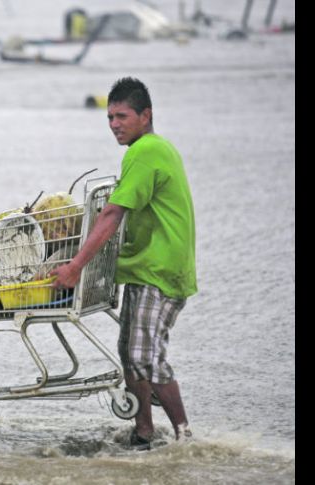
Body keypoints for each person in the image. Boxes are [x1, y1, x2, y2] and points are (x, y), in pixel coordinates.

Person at [50, 77, 197, 449]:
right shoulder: (153, 149)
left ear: (145, 115)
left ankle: (184, 438)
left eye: (122, 116)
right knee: (129, 352)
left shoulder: (145, 151)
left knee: (145, 358)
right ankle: (143, 432)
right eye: (110, 117)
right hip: (144, 267)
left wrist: (75, 266)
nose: (114, 124)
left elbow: (113, 213)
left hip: (160, 271)